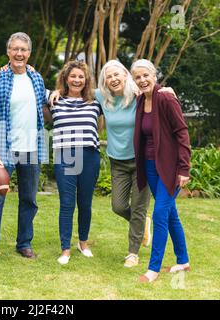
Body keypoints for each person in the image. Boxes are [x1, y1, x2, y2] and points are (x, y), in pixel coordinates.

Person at [50, 60, 175, 267]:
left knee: (136, 207)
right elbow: (71, 86)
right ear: (104, 81)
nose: (113, 79)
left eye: (117, 74)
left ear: (125, 75)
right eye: (109, 76)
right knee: (117, 206)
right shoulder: (100, 97)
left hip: (141, 159)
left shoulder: (138, 96)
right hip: (114, 160)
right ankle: (142, 223)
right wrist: (57, 90)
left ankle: (132, 253)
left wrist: (165, 89)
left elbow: (154, 90)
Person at [0, 32, 48, 267]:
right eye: (15, 49)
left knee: (29, 200)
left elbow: (43, 106)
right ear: (8, 52)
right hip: (5, 150)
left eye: (23, 50)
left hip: (32, 149)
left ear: (29, 53)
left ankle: (24, 243)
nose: (19, 53)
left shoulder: (36, 78)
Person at [131, 59, 191, 283]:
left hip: (170, 168)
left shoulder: (165, 98)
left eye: (146, 75)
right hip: (150, 166)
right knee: (170, 213)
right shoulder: (139, 100)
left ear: (154, 76)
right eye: (138, 77)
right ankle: (183, 260)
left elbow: (182, 133)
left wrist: (184, 168)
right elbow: (112, 84)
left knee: (159, 214)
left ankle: (153, 268)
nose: (142, 79)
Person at [45, 61, 102, 265]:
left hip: (89, 156)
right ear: (65, 78)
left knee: (85, 203)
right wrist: (52, 91)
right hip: (65, 156)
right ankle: (65, 249)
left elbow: (120, 97)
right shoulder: (55, 100)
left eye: (81, 76)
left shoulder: (95, 102)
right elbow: (35, 87)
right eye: (73, 76)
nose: (77, 80)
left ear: (86, 80)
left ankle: (83, 243)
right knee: (67, 203)